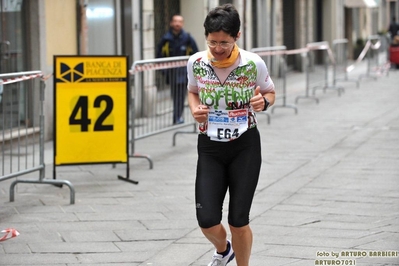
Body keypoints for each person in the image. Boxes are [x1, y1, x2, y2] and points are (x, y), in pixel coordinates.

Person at [186, 4, 275, 266]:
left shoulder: (252, 63)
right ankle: (224, 250)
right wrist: (195, 109)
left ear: (237, 36)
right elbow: (193, 91)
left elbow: (270, 91)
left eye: (224, 42)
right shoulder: (196, 62)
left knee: (238, 220)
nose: (217, 48)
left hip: (244, 145)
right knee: (207, 221)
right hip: (210, 146)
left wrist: (265, 102)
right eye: (212, 42)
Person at [156, 14, 199, 124]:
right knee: (175, 95)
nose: (177, 24)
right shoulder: (166, 39)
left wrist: (192, 70)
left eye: (179, 21)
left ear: (182, 24)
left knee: (180, 95)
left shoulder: (187, 38)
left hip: (184, 72)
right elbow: (159, 54)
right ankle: (177, 117)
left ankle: (177, 117)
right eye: (175, 21)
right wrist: (164, 71)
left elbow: (195, 54)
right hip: (171, 73)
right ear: (171, 23)